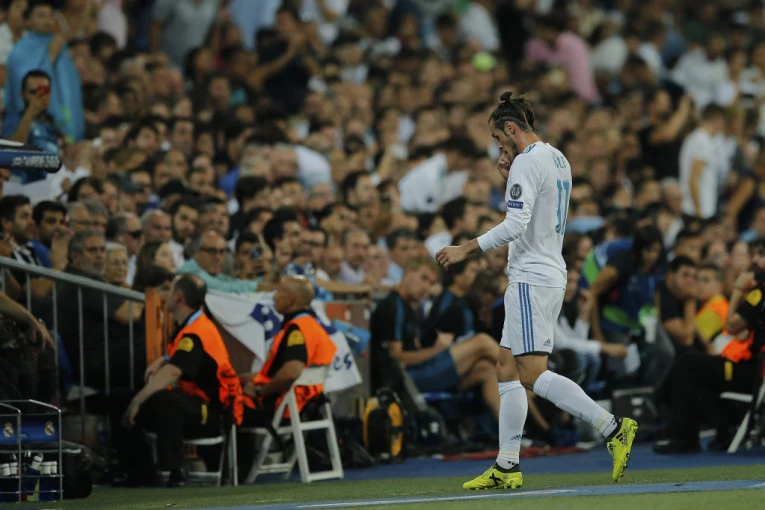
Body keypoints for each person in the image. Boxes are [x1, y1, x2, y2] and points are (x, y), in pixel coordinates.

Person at [436, 92, 637, 490]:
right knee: (506, 368)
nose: (499, 148)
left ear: (511, 129)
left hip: (531, 277)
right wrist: (507, 176)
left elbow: (516, 224)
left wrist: (465, 248)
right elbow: (537, 211)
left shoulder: (526, 162)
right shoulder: (556, 157)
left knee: (532, 373)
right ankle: (507, 465)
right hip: (547, 271)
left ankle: (612, 427)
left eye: (499, 139)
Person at [113, 274, 243, 487]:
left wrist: (138, 401)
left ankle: (174, 472)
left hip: (213, 412)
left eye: (169, 290)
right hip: (193, 406)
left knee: (165, 399)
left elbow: (174, 371)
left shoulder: (197, 332)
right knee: (118, 400)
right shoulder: (188, 326)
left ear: (179, 298)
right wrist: (164, 360)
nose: (165, 295)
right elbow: (177, 358)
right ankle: (138, 472)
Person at [654, 239, 765, 454]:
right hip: (754, 368)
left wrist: (738, 288)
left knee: (687, 364)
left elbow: (732, 326)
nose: (755, 260)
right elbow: (743, 331)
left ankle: (685, 439)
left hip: (753, 370)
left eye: (761, 255)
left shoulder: (758, 293)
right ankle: (725, 432)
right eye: (753, 254)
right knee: (699, 371)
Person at [370, 256, 501, 419]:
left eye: (431, 283)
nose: (426, 287)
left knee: (487, 368)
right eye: (423, 278)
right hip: (405, 380)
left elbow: (415, 348)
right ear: (408, 273)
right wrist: (436, 350)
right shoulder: (393, 305)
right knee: (481, 341)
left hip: (418, 372)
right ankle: (525, 371)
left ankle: (513, 430)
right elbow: (397, 358)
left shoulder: (410, 307)